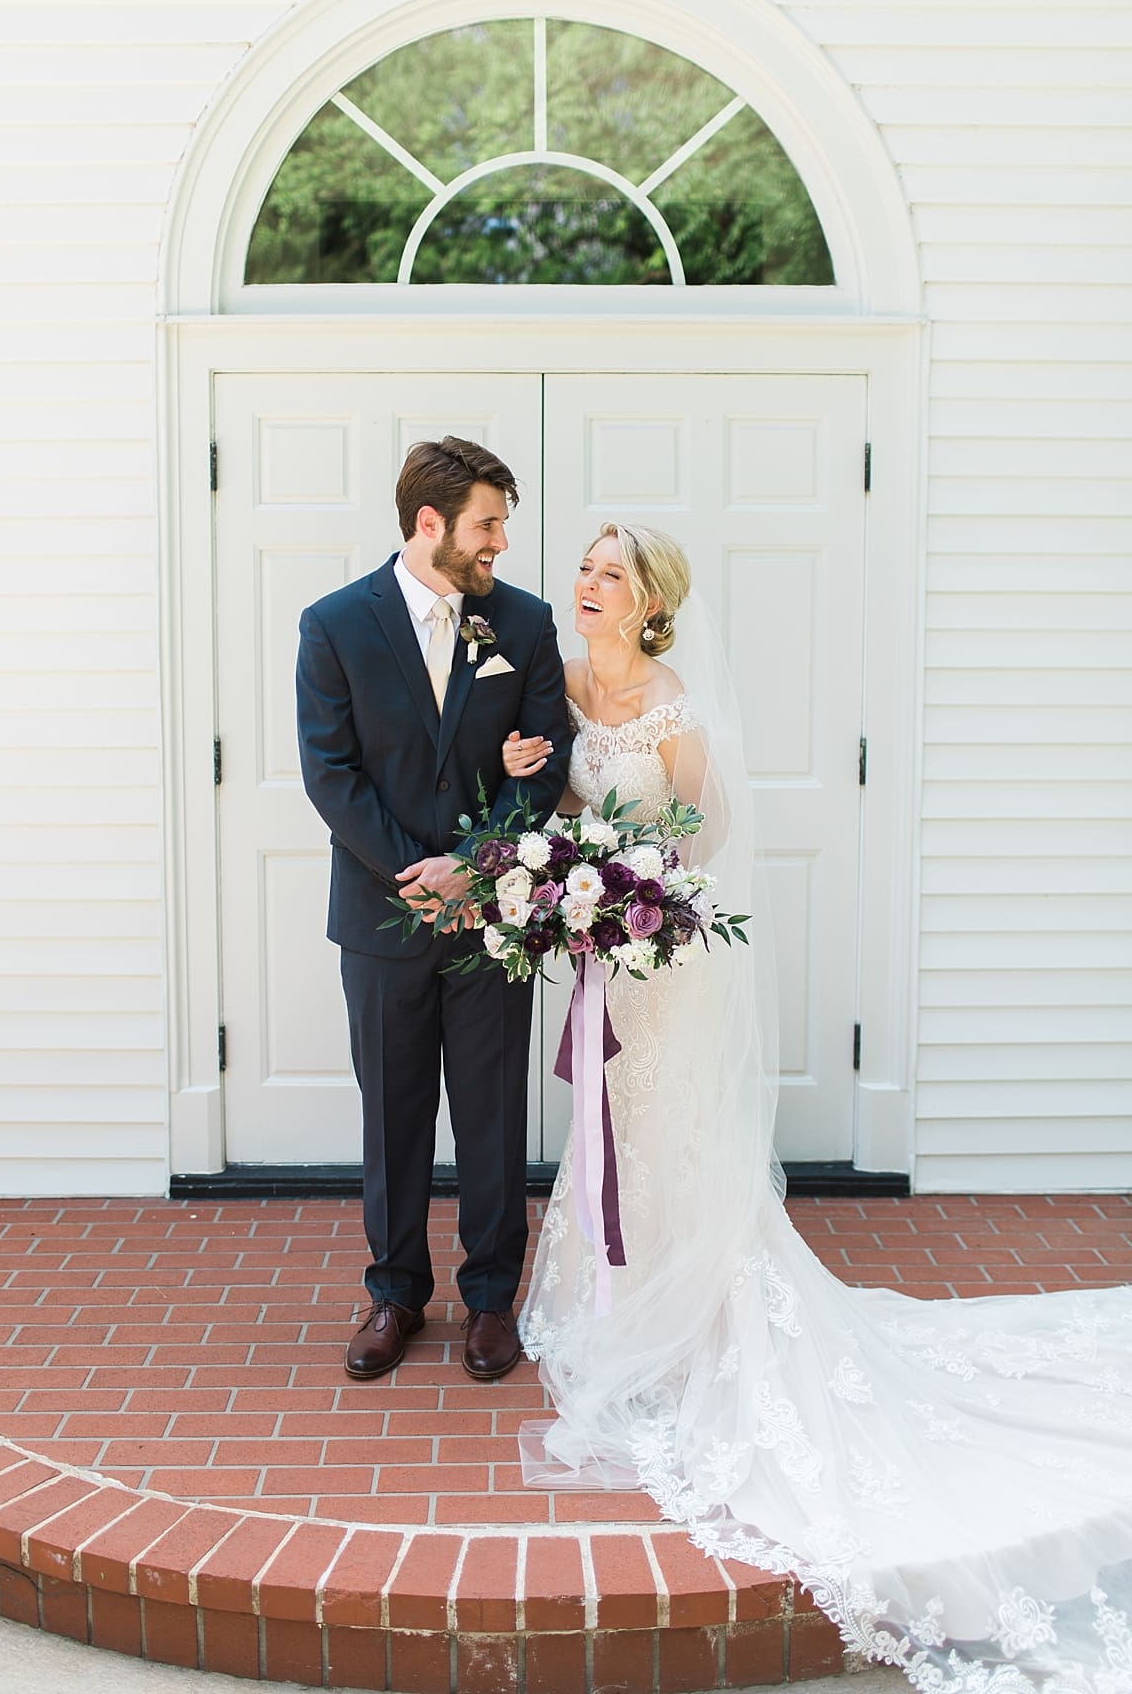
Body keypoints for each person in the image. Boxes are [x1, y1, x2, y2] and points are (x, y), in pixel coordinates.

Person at [501, 521, 1132, 1691]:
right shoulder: (557, 677)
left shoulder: (676, 710)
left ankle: (697, 1312)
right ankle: (617, 1289)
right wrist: (561, 873)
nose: (585, 586)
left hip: (662, 959)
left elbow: (711, 830)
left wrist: (636, 887)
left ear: (650, 603)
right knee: (614, 1129)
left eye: (608, 575)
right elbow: (538, 789)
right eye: (582, 569)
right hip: (597, 949)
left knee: (670, 1126)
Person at [296, 437, 570, 1384]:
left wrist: (474, 867)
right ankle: (395, 1293)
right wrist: (421, 871)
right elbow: (330, 776)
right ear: (429, 524)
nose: (500, 542)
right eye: (488, 523)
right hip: (380, 917)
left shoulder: (525, 626)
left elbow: (549, 761)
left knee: (492, 1113)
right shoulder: (334, 625)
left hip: (492, 916)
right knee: (395, 1112)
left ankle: (493, 1300)